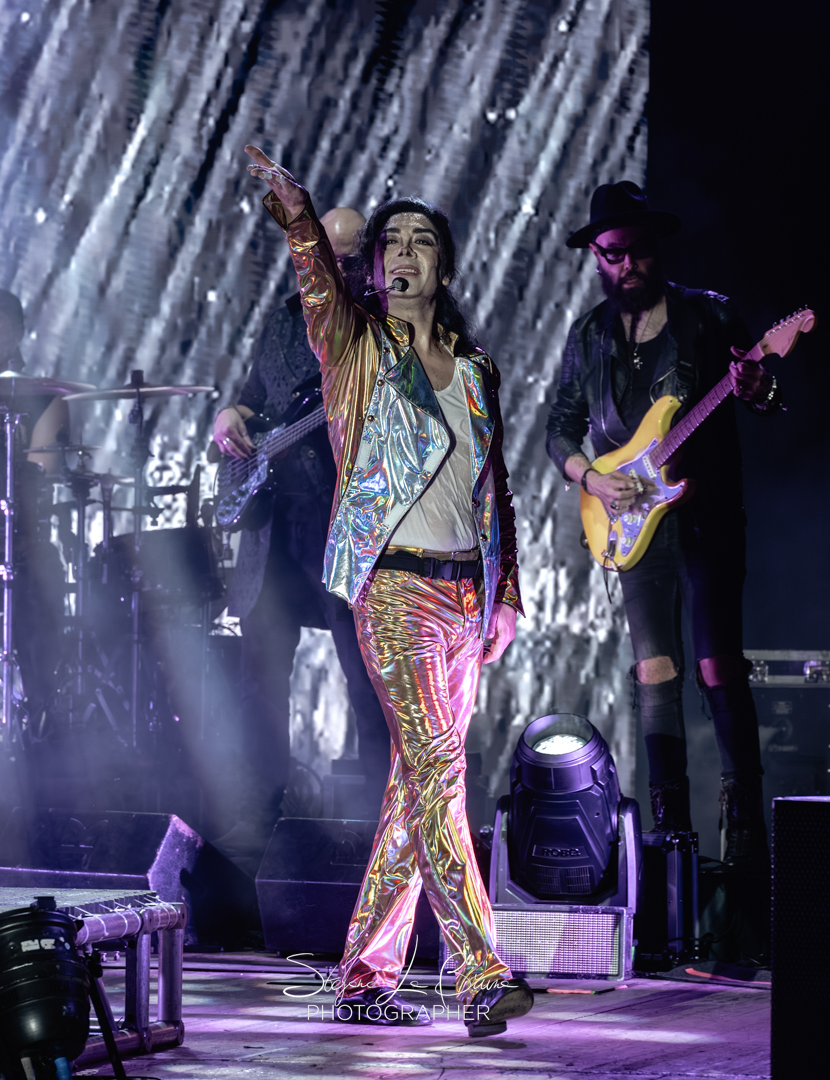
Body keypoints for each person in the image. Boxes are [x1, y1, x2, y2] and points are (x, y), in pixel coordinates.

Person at [243, 143, 533, 1036]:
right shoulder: (355, 350)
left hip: (465, 597)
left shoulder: (476, 370)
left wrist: (507, 593)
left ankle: (365, 977)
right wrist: (301, 220)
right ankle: (481, 973)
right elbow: (316, 289)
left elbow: (496, 488)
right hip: (395, 590)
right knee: (440, 772)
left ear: (445, 266)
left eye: (422, 242)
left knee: (417, 787)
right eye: (392, 242)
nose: (405, 253)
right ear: (374, 267)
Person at [545, 182, 779, 865]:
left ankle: (745, 833)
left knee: (717, 663)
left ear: (657, 248)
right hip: (630, 523)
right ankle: (670, 833)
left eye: (639, 251)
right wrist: (591, 478)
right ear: (597, 256)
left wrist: (760, 386)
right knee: (654, 670)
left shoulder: (709, 316)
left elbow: (764, 395)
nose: (628, 266)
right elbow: (559, 429)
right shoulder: (588, 335)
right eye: (613, 254)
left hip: (705, 518)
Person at [212, 208, 392, 865]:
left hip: (342, 529)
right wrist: (230, 415)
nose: (330, 270)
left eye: (345, 259)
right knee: (260, 683)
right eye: (319, 257)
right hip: (273, 533)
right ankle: (257, 821)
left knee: (365, 683)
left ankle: (382, 831)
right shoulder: (284, 319)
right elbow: (254, 399)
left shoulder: (382, 325)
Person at [0, 288, 67, 724]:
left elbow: (41, 476)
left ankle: (40, 721)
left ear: (19, 331)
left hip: (17, 550)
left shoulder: (44, 399)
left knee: (41, 580)